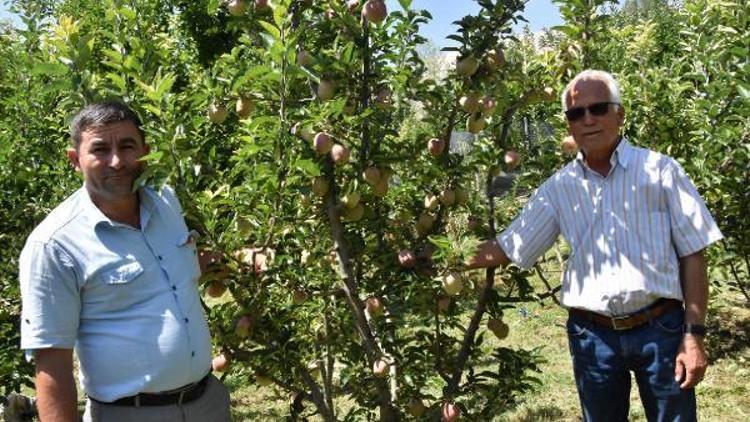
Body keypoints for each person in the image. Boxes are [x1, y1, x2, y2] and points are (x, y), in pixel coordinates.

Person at [468, 70, 723, 421]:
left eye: (599, 108)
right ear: (569, 125)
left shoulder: (661, 171)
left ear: (619, 113)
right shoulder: (560, 188)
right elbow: (509, 246)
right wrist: (441, 258)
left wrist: (693, 335)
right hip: (593, 338)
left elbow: (694, 253)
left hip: (661, 328)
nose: (588, 119)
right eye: (576, 113)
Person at [19, 101, 231, 422]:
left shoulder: (166, 201)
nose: (117, 161)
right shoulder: (54, 245)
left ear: (146, 151)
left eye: (128, 146)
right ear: (75, 160)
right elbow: (52, 362)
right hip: (130, 414)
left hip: (207, 403)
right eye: (100, 149)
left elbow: (170, 274)